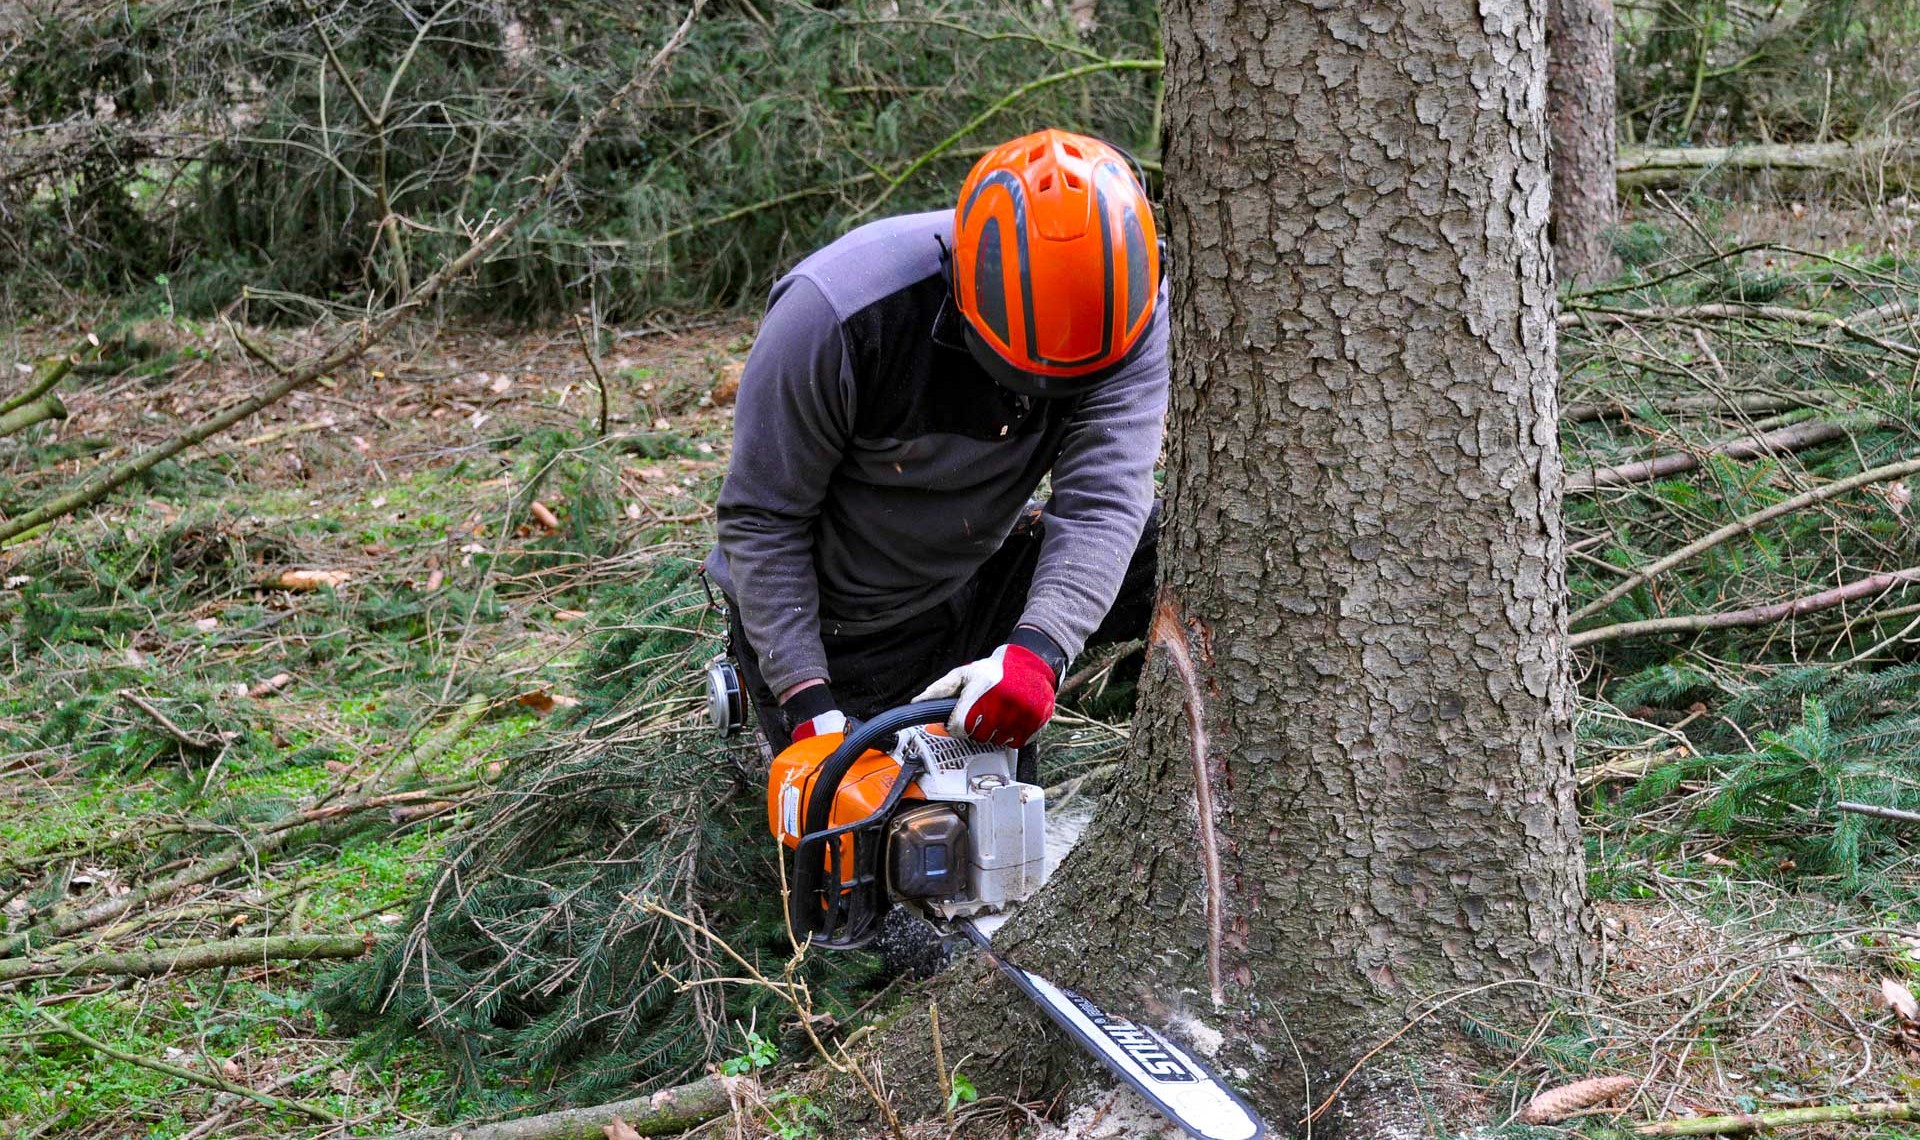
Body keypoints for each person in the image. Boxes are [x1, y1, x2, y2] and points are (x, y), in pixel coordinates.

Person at [704, 128, 1167, 756]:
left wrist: (1039, 651)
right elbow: (764, 518)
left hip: (979, 563)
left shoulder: (1129, 303)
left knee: (1180, 547)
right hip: (846, 620)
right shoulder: (836, 316)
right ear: (962, 283)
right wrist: (807, 701)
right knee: (896, 834)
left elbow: (1104, 497)